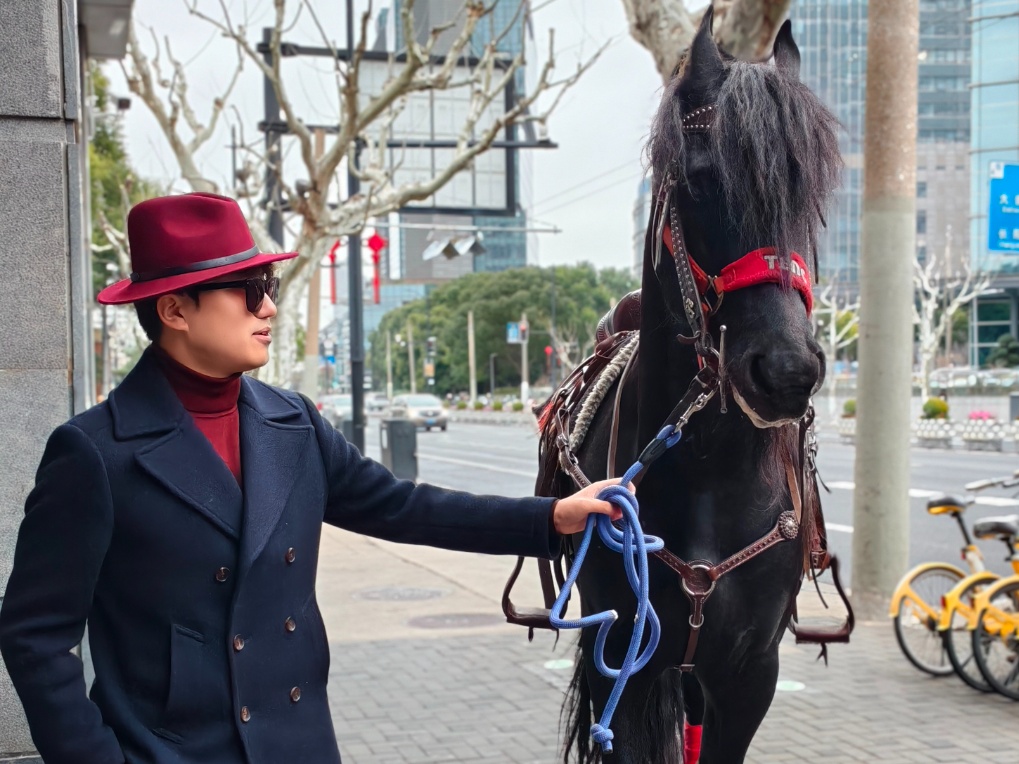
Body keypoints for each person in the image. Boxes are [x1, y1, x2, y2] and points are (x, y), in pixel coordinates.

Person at [0, 193, 623, 764]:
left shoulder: (292, 422)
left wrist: (551, 518)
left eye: (268, 286)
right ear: (174, 310)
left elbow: (402, 507)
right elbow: (35, 636)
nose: (269, 306)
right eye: (249, 290)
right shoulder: (95, 452)